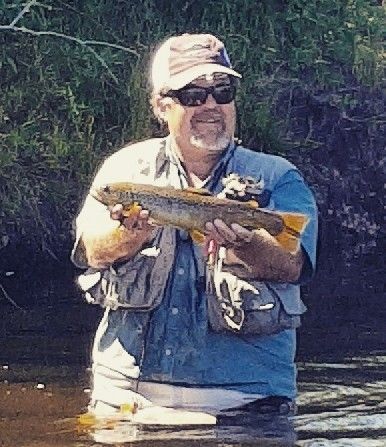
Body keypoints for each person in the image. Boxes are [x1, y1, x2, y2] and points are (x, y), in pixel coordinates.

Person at [72, 33, 318, 426]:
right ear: (160, 105)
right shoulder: (124, 171)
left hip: (248, 404)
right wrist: (131, 235)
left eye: (222, 91)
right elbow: (91, 251)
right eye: (192, 94)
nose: (210, 105)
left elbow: (293, 265)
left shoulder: (278, 178)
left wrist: (247, 243)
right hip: (126, 400)